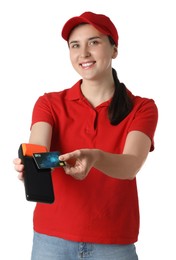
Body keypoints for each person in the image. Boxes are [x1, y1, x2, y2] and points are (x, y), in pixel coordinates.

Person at [13, 11, 158, 260]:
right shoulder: (49, 103)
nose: (84, 54)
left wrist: (95, 157)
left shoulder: (142, 108)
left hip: (113, 242)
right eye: (75, 45)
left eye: (94, 42)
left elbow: (131, 165)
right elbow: (38, 149)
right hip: (51, 240)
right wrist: (32, 164)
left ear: (114, 49)